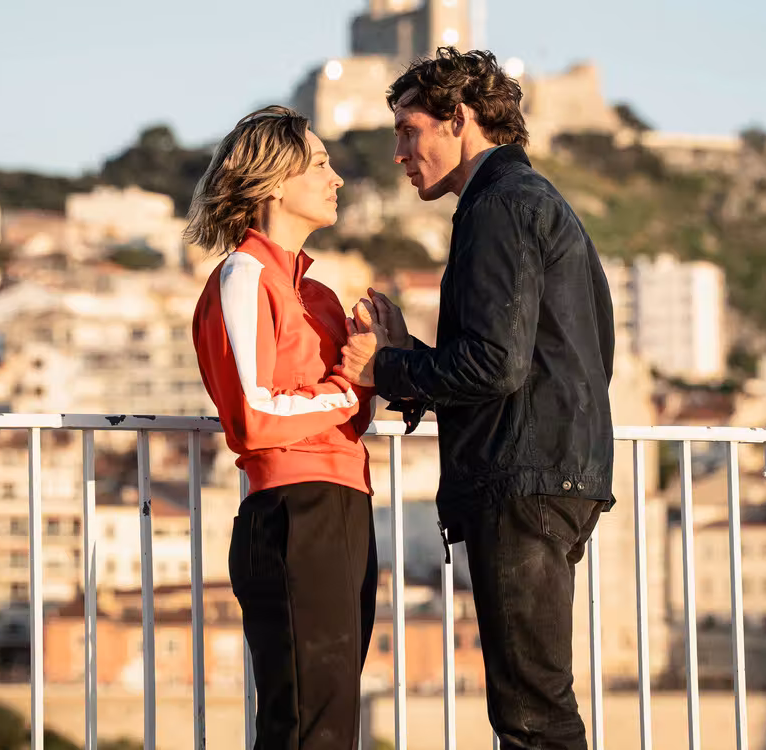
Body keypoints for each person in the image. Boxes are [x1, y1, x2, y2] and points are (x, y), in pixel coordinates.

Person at [337, 48, 616, 749]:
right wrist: (408, 356)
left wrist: (385, 368)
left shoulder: (499, 207)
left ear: (458, 119)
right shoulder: (539, 201)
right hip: (556, 474)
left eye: (409, 131)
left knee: (531, 718)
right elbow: (571, 358)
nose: (399, 154)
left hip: (520, 483)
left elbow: (494, 365)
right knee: (537, 705)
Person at [188, 105, 378, 749]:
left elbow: (354, 412)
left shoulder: (321, 295)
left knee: (331, 725)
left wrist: (379, 360)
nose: (337, 178)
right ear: (273, 181)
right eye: (320, 164)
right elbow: (253, 417)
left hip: (348, 506)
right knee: (303, 728)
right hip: (292, 513)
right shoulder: (243, 276)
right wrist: (350, 388)